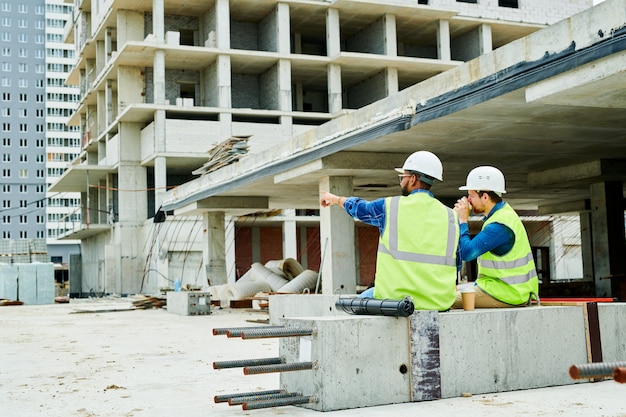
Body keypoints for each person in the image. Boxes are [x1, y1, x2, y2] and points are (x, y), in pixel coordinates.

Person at [319, 151, 459, 311]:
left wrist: (336, 199)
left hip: (396, 300)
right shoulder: (451, 216)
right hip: (438, 302)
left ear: (413, 179)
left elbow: (361, 208)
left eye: (403, 177)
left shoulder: (391, 207)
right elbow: (457, 261)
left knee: (351, 307)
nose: (401, 182)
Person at [452, 166, 539, 308]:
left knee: (445, 300)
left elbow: (467, 253)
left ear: (485, 197)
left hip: (506, 293)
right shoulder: (503, 215)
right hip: (505, 290)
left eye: (471, 195)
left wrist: (462, 221)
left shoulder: (499, 226)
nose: (468, 200)